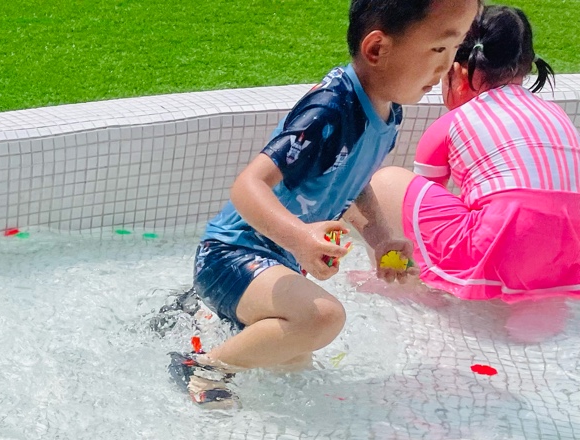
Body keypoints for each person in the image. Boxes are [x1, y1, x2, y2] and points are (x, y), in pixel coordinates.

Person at [170, 0, 478, 408]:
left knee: (293, 362)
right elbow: (247, 187)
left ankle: (202, 316)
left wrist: (381, 240)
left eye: (456, 49)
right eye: (438, 48)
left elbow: (351, 184)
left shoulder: (387, 113)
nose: (447, 66)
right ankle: (202, 366)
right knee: (322, 317)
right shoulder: (330, 110)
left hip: (274, 264)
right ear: (377, 49)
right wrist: (300, 238)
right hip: (230, 255)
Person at [364, 6, 580, 307]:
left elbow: (417, 216)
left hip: (496, 258)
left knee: (383, 182)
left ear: (457, 72)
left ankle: (406, 283)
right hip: (565, 261)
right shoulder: (556, 114)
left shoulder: (451, 125)